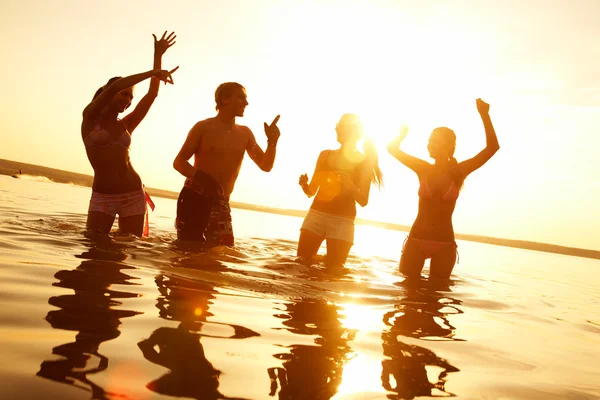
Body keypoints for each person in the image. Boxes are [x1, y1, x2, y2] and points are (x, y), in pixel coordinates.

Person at [387, 98, 500, 280]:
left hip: (444, 244)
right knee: (407, 297)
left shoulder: (459, 171)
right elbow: (392, 148)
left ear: (448, 146)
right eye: (429, 140)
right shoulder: (422, 168)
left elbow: (492, 148)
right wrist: (401, 135)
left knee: (434, 302)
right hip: (416, 240)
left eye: (434, 141)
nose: (428, 145)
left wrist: (485, 115)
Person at [81, 31, 178, 237]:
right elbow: (117, 83)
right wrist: (153, 71)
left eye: (131, 97)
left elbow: (152, 95)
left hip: (133, 194)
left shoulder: (127, 124)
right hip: (103, 196)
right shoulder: (89, 119)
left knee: (127, 250)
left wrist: (158, 56)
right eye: (124, 94)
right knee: (94, 246)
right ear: (108, 92)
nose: (128, 100)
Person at [173, 82, 281, 247]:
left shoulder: (245, 134)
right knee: (188, 251)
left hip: (221, 202)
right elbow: (179, 162)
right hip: (194, 198)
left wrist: (272, 143)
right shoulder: (203, 128)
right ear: (224, 99)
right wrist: (200, 176)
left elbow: (265, 165)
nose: (246, 103)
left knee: (222, 253)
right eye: (241, 97)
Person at [297, 114, 383, 267]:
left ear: (353, 132)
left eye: (341, 127)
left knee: (334, 270)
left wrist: (350, 185)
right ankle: (323, 259)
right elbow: (312, 191)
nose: (336, 129)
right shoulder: (325, 155)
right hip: (316, 215)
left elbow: (363, 200)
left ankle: (325, 259)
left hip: (342, 221)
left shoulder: (364, 163)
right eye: (337, 126)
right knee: (301, 263)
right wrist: (305, 185)